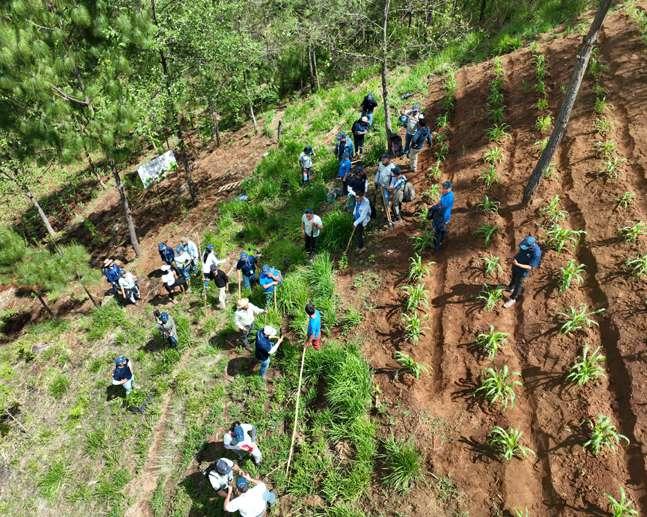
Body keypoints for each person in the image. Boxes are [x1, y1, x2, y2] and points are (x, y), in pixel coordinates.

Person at [504, 236, 542, 308]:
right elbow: (519, 253)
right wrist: (513, 259)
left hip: (522, 271)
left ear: (532, 245)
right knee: (513, 277)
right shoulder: (524, 244)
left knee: (518, 284)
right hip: (516, 265)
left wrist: (518, 264)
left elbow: (530, 267)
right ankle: (510, 288)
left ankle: (513, 299)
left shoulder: (536, 253)